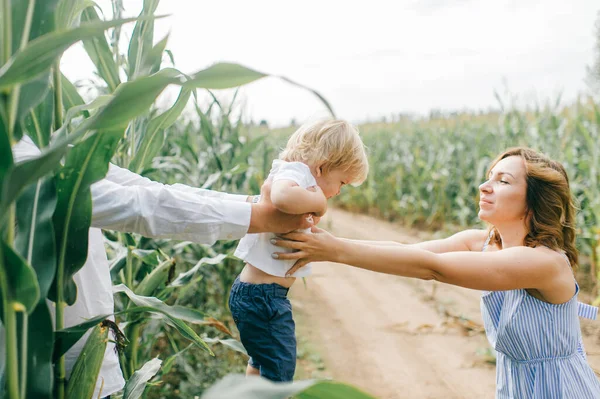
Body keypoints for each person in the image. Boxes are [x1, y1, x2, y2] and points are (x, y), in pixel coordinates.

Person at [272, 147, 600, 398]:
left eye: (503, 181)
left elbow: (434, 269)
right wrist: (328, 242)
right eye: (489, 176)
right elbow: (409, 251)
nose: (485, 186)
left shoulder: (543, 262)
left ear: (535, 200)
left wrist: (335, 251)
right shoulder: (480, 242)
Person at [8, 135, 315, 398]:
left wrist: (252, 204)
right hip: (35, 372)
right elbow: (139, 207)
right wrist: (258, 217)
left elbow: (143, 188)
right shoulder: (13, 157)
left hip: (86, 361)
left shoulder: (40, 136)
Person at [228, 119, 369, 382]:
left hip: (257, 295)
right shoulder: (294, 173)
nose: (338, 191)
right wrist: (318, 203)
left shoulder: (295, 175)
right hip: (263, 298)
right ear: (322, 167)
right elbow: (281, 196)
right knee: (279, 371)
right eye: (342, 182)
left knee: (262, 364)